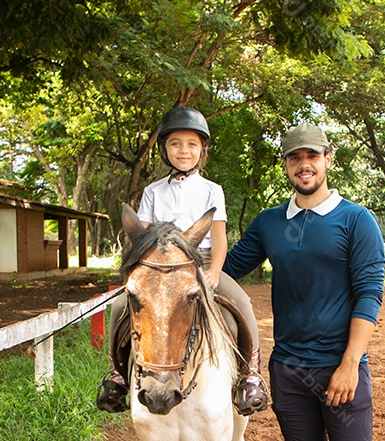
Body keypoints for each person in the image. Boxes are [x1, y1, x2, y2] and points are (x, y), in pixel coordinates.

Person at [222, 123, 385, 441]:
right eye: (295, 158)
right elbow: (224, 271)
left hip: (340, 371)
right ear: (286, 166)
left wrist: (350, 363)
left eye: (312, 156)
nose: (304, 165)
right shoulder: (270, 223)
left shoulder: (356, 220)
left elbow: (370, 294)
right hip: (289, 372)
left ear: (328, 159)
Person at [96, 106, 269, 416]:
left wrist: (214, 271)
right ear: (165, 149)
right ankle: (118, 375)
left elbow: (219, 238)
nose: (183, 151)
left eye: (191, 144)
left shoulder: (212, 191)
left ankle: (251, 374)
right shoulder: (153, 191)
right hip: (159, 265)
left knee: (241, 300)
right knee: (121, 304)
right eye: (175, 144)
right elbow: (142, 237)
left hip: (200, 263)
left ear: (202, 150)